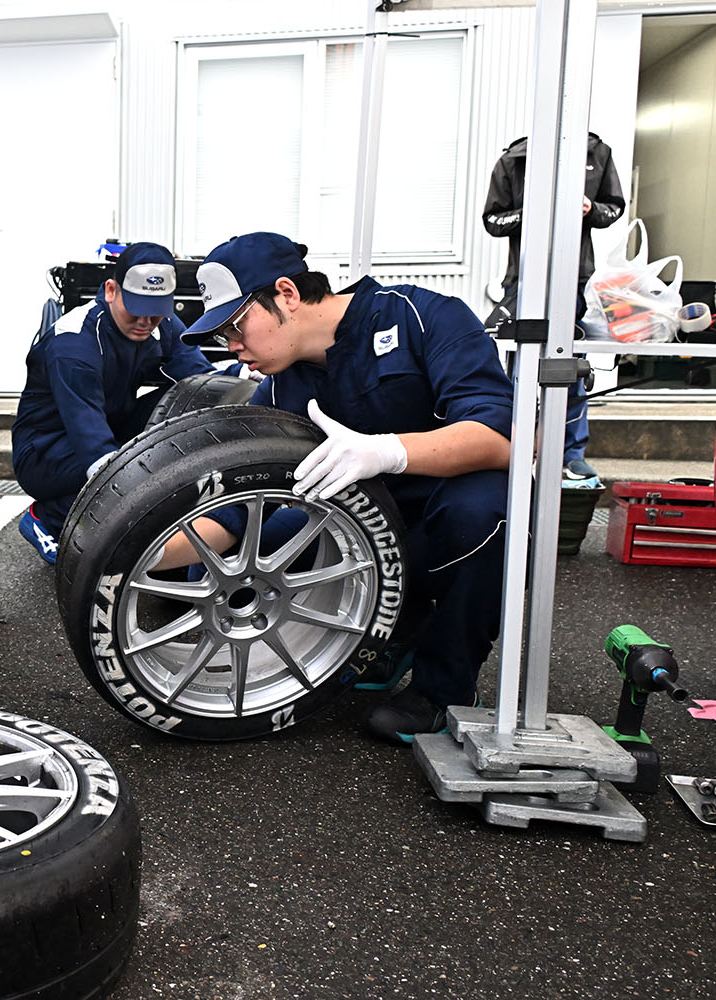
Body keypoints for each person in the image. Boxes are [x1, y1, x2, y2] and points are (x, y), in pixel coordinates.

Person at [172, 232, 512, 744]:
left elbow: (503, 438)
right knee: (236, 548)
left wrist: (388, 451)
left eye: (237, 324)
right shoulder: (284, 384)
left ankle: (446, 689)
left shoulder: (422, 317)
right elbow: (243, 503)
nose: (231, 346)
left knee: (480, 512)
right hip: (369, 523)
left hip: (449, 509)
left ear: (286, 294)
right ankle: (394, 635)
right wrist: (120, 546)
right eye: (221, 335)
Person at [11, 242, 226, 564]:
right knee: (138, 469)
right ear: (111, 290)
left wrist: (249, 376)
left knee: (185, 400)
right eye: (136, 308)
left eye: (156, 310)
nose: (145, 320)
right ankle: (49, 517)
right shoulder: (74, 344)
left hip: (109, 426)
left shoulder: (160, 324)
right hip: (48, 451)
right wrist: (141, 489)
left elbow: (200, 377)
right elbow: (90, 437)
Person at [483, 131, 625, 481]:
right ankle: (515, 447)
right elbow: (492, 219)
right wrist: (528, 214)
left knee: (572, 369)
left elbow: (615, 207)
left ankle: (570, 455)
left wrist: (591, 209)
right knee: (521, 370)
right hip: (524, 283)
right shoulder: (512, 160)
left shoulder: (598, 153)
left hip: (575, 281)